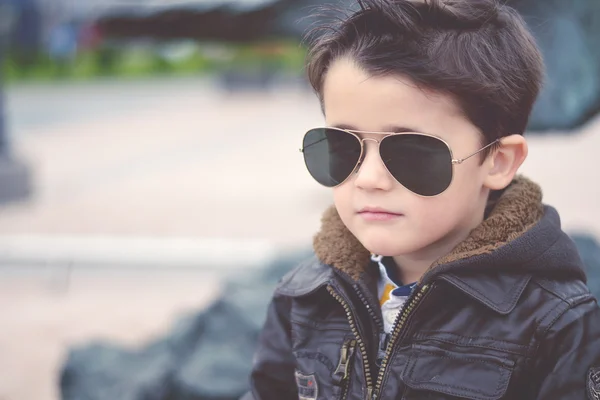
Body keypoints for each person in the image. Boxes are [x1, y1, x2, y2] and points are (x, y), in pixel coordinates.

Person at [241, 0, 600, 399]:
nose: (370, 178)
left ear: (497, 162)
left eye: (411, 152)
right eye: (342, 146)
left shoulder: (558, 326)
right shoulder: (304, 296)